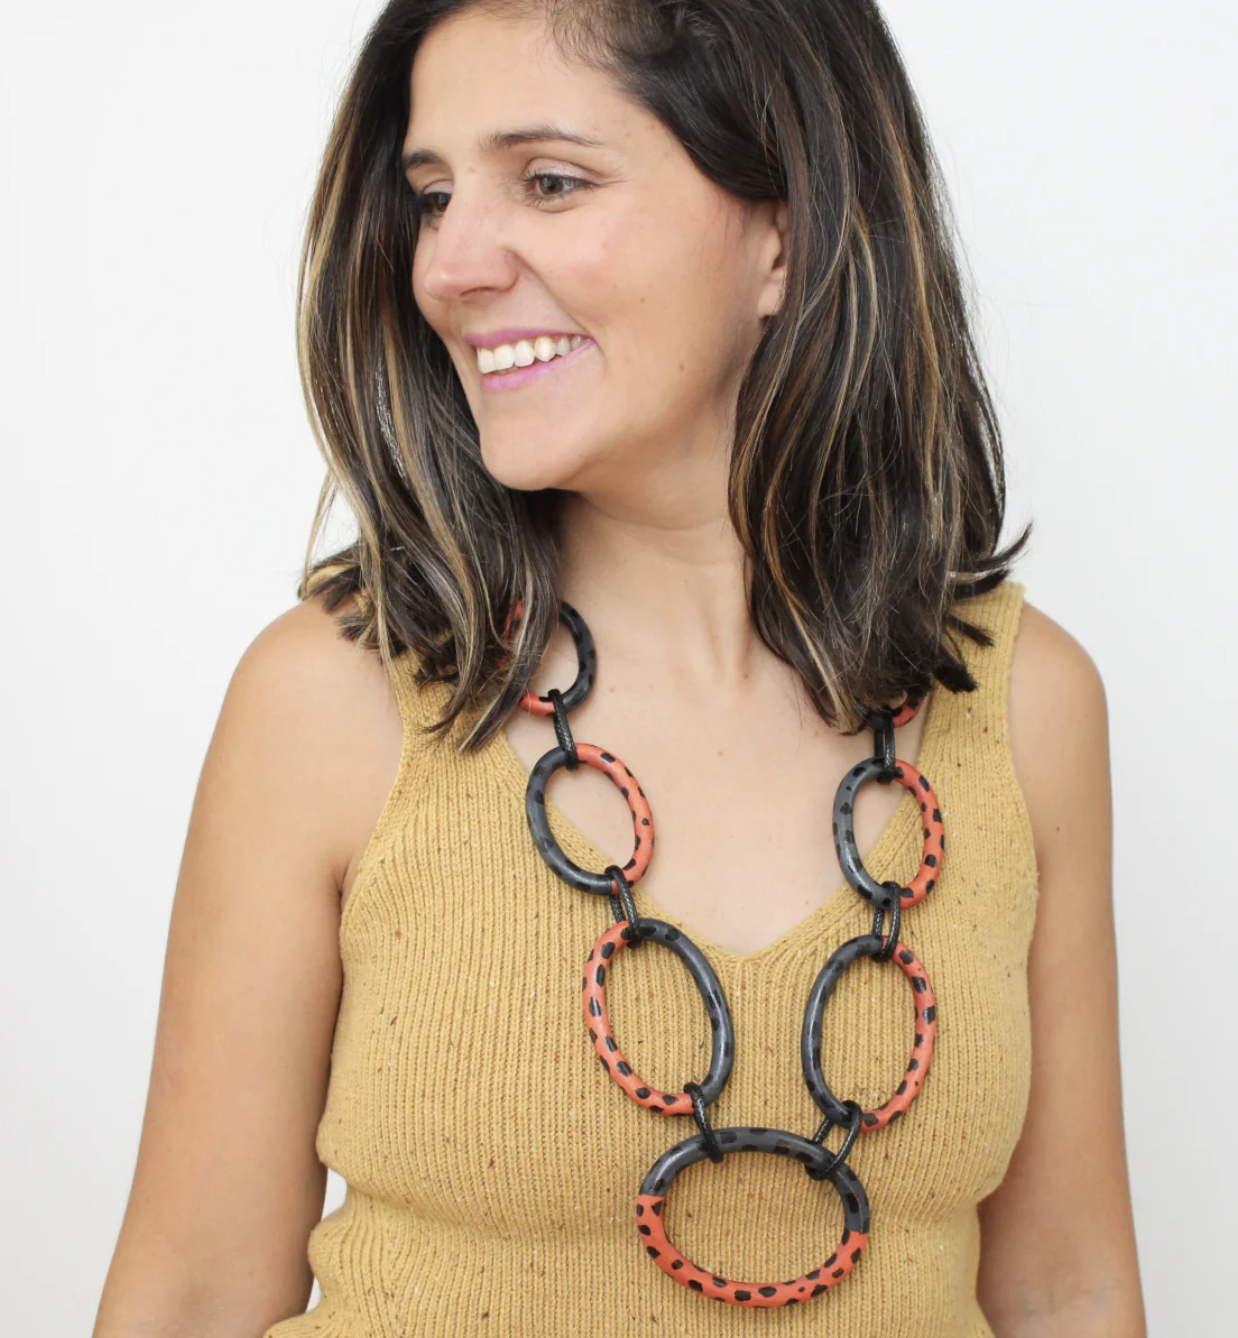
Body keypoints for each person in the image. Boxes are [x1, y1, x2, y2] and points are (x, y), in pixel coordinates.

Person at [93, 1, 1146, 1334]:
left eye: (549, 182)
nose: (448, 265)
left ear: (782, 234)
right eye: (432, 195)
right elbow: (191, 1295)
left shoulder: (1026, 704)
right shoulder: (329, 701)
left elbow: (1065, 1289)